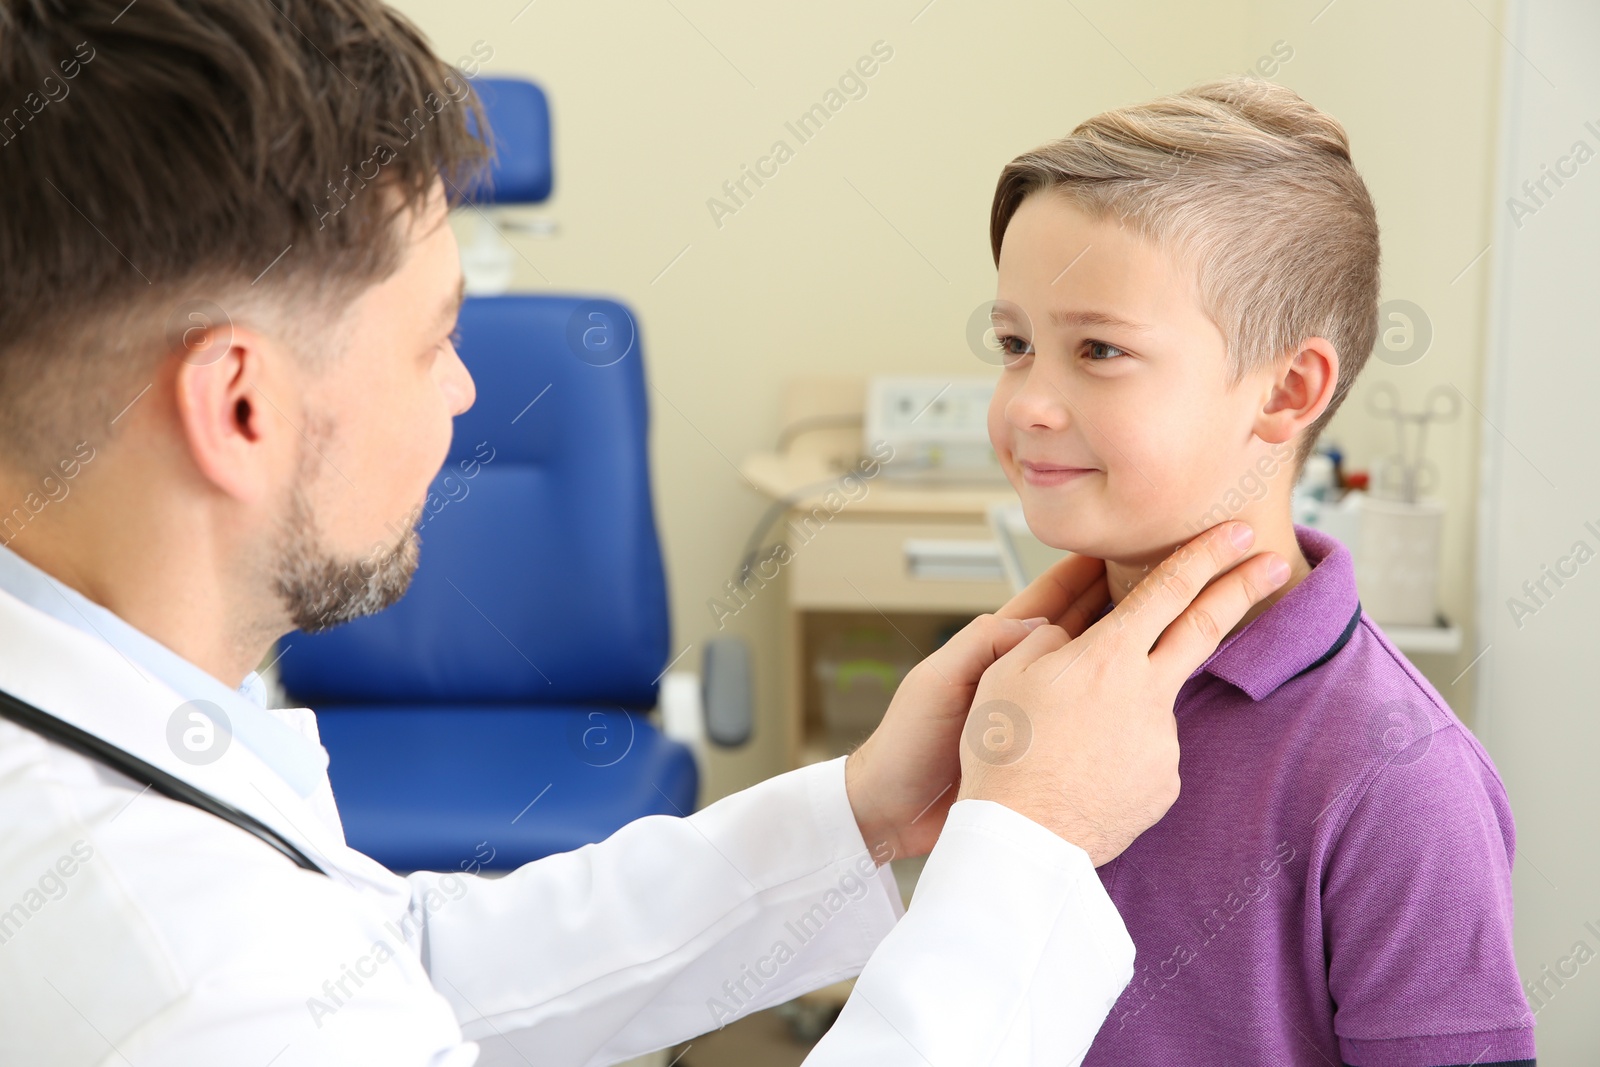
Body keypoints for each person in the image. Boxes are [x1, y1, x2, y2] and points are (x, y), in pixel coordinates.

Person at [0, 2, 1292, 1064]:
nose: (463, 390)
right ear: (241, 403)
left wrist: (859, 811)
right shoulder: (182, 978)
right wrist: (1036, 842)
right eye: (437, 340)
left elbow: (400, 966)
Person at [983, 78, 1535, 1066]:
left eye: (1097, 348)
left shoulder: (1396, 778)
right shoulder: (1034, 681)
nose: (1027, 401)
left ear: (1286, 391)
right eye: (1015, 344)